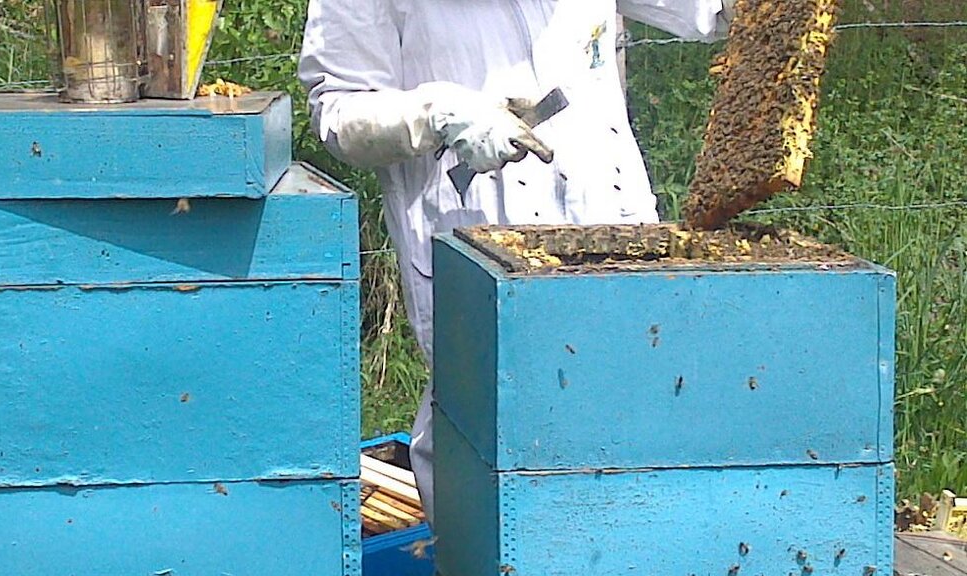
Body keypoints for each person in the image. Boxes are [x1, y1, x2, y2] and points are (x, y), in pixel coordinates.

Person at [298, 0, 733, 527]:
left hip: (614, 227)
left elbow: (709, 8)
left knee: (639, 423)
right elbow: (340, 110)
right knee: (495, 455)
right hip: (480, 242)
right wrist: (436, 114)